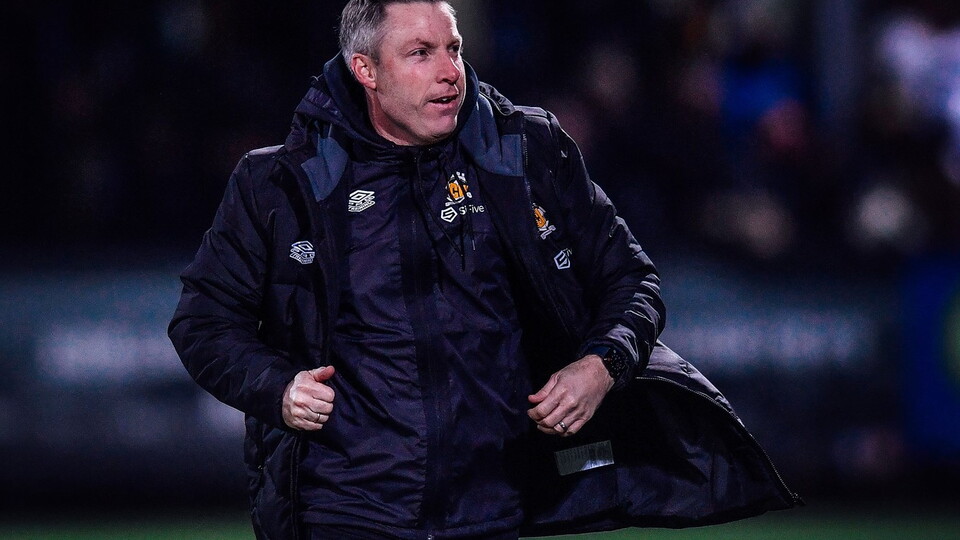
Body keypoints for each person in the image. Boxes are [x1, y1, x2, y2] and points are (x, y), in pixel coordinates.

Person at [169, 1, 800, 539]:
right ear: (366, 70)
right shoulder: (278, 183)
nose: (450, 72)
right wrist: (278, 388)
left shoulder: (525, 153)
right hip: (344, 509)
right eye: (420, 54)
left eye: (454, 48)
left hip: (491, 511)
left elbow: (632, 281)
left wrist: (600, 367)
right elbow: (202, 322)